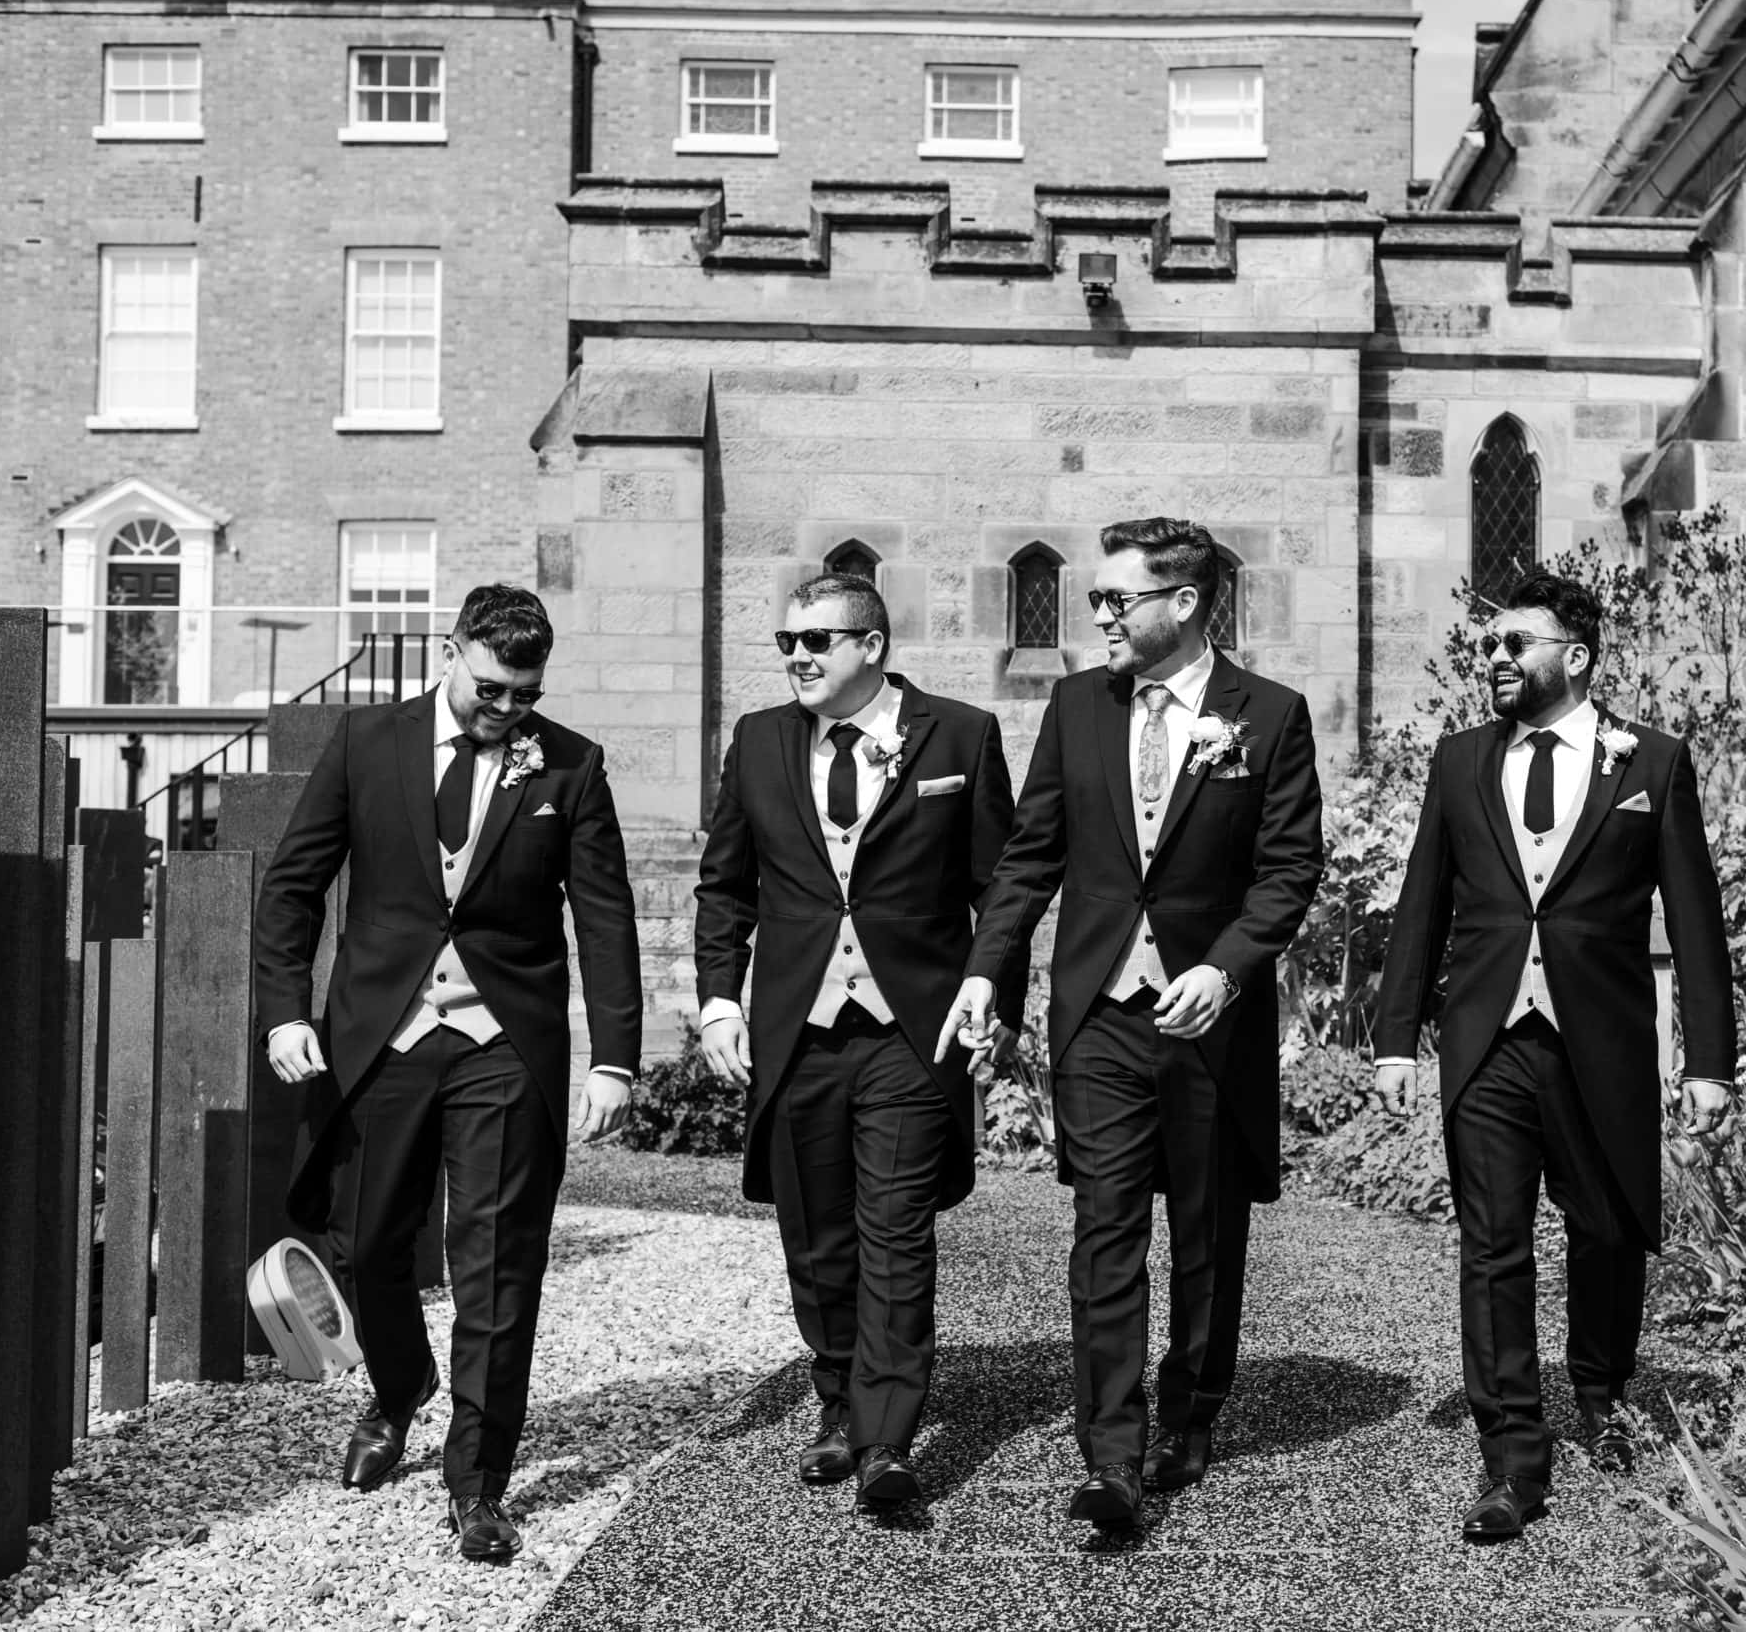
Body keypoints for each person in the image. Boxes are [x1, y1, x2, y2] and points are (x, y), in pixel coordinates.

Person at [939, 516, 1324, 1529]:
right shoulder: (1075, 706)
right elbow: (1028, 859)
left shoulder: (1270, 716)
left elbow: (1288, 871)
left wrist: (1229, 971)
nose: (1098, 612)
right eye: (1096, 599)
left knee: (1203, 1232)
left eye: (1117, 598)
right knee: (1103, 1228)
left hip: (1207, 1024)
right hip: (1099, 1014)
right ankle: (1109, 1453)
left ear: (1185, 604)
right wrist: (991, 975)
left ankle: (1192, 1411)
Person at [252, 584, 643, 1564]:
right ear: (450, 650)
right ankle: (399, 1387)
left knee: (499, 1262)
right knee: (367, 1243)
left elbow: (603, 916)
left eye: (526, 693)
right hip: (381, 1035)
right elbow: (295, 884)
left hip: (505, 1046)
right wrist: (286, 1012)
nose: (509, 709)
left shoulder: (573, 765)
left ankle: (478, 1486)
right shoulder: (364, 742)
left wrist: (613, 1058)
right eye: (492, 687)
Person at [1371, 570, 1737, 1543]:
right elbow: (1422, 904)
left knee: (1608, 1225)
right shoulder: (1457, 763)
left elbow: (1695, 922)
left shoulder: (1650, 763)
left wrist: (1709, 1060)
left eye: (1513, 644)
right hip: (1486, 1037)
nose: (1493, 659)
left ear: (1573, 656)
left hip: (1598, 1039)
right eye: (1488, 646)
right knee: (1491, 1244)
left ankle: (1602, 1387)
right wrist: (1395, 1039)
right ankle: (1511, 1458)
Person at [692, 572, 1021, 1513]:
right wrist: (721, 1000)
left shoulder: (959, 736)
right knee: (818, 1235)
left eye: (816, 639)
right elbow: (725, 887)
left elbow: (1000, 887)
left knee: (894, 1232)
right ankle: (836, 1394)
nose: (797, 654)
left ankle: (886, 1437)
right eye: (787, 641)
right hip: (799, 1027)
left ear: (872, 644)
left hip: (909, 1032)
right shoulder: (757, 742)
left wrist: (988, 988)